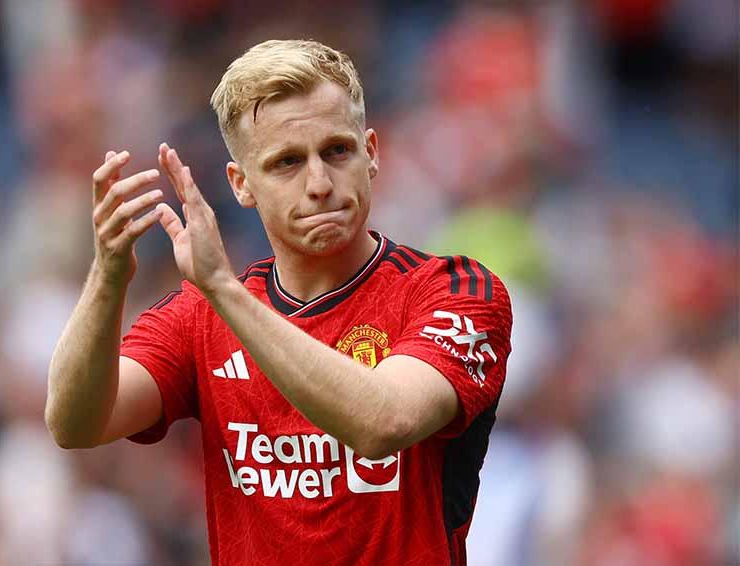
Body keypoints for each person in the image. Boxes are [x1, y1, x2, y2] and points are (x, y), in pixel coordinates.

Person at [45, 39, 513, 565]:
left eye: (337, 151)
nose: (319, 184)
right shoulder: (200, 316)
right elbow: (75, 424)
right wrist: (108, 278)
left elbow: (385, 423)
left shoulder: (456, 291)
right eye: (287, 162)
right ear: (241, 184)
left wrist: (223, 290)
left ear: (372, 153)